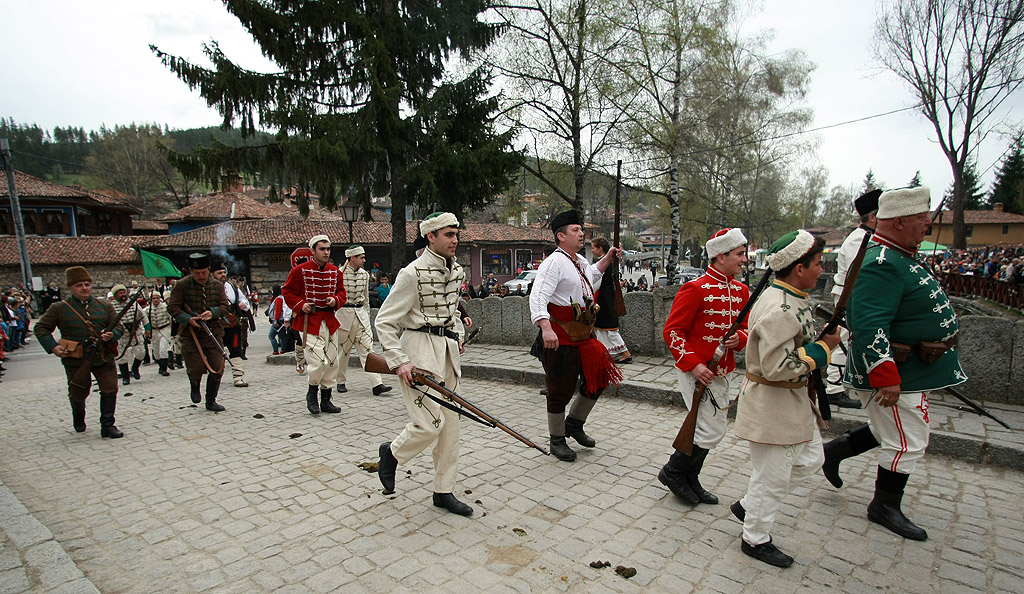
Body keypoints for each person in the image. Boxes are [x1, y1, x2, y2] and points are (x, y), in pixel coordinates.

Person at [822, 186, 964, 542]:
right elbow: (871, 325)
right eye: (921, 218)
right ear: (899, 222)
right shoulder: (882, 263)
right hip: (895, 368)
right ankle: (884, 505)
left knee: (896, 428)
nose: (927, 224)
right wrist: (886, 375)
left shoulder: (899, 254)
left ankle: (835, 451)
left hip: (913, 367)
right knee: (908, 440)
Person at [730, 230, 840, 567]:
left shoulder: (789, 296)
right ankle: (755, 538)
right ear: (798, 269)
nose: (822, 270)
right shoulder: (780, 306)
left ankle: (751, 503)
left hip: (789, 402)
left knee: (810, 460)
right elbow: (777, 366)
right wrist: (824, 349)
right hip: (772, 402)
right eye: (818, 264)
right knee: (773, 479)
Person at [375, 212, 471, 516]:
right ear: (430, 236)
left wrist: (458, 335)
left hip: (446, 354)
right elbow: (385, 321)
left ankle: (444, 491)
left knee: (450, 428)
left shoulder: (457, 272)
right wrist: (399, 361)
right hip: (418, 353)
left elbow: (452, 313)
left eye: (456, 234)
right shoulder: (411, 273)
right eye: (448, 234)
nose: (454, 240)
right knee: (430, 425)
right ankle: (391, 454)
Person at [658, 228, 750, 505]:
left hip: (722, 370)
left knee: (712, 427)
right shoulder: (694, 289)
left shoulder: (742, 291)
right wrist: (693, 364)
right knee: (706, 429)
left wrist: (740, 338)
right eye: (739, 254)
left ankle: (688, 477)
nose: (744, 259)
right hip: (696, 371)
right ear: (720, 257)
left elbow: (746, 327)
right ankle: (673, 473)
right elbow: (673, 331)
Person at [528, 210, 623, 462]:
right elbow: (538, 297)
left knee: (599, 376)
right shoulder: (553, 263)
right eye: (575, 230)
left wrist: (607, 259)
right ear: (561, 236)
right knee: (560, 389)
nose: (581, 233)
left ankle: (574, 423)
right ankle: (557, 439)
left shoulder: (579, 261)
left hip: (582, 335)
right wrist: (545, 328)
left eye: (581, 229)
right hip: (560, 336)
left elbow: (592, 276)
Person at [34, 266, 124, 438]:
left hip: (103, 355)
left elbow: (118, 326)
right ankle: (79, 416)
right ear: (71, 287)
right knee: (79, 391)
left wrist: (112, 335)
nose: (84, 288)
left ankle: (107, 425)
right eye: (79, 285)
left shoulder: (104, 306)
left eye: (87, 284)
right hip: (76, 358)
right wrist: (53, 347)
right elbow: (41, 328)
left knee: (110, 388)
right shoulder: (59, 308)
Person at [824, 189, 881, 410]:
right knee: (842, 340)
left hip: (856, 294)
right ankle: (834, 388)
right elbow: (862, 274)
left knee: (848, 341)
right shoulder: (860, 239)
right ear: (873, 216)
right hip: (851, 295)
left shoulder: (868, 238)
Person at [283, 235, 346, 415]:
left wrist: (335, 300)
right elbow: (287, 292)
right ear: (313, 251)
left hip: (330, 321)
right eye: (322, 249)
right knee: (318, 361)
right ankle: (312, 394)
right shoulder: (299, 270)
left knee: (333, 361)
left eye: (328, 249)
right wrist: (300, 304)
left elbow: (342, 293)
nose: (326, 252)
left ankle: (326, 399)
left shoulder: (335, 272)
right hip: (308, 322)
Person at [167, 253, 231, 412]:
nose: (201, 276)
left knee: (217, 367)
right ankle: (194, 385)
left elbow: (225, 306)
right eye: (197, 273)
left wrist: (212, 312)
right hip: (191, 333)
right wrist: (188, 319)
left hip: (213, 332)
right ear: (191, 271)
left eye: (203, 272)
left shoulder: (217, 285)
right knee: (195, 367)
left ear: (209, 269)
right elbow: (173, 307)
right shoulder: (181, 285)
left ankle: (211, 400)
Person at [336, 245, 393, 396]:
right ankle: (340, 381)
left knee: (368, 350)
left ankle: (377, 384)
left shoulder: (365, 275)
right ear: (352, 258)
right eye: (361, 257)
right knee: (343, 351)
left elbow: (366, 298)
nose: (364, 260)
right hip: (344, 315)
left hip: (360, 315)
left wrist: (366, 315)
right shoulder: (338, 274)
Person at [590, 237, 632, 364]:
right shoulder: (611, 260)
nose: (592, 251)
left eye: (593, 248)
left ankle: (625, 352)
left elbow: (596, 282)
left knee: (610, 328)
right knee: (601, 327)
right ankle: (604, 351)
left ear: (600, 248)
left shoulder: (604, 262)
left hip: (605, 297)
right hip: (606, 295)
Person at [212, 264, 250, 388]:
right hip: (216, 326)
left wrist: (243, 305)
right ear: (212, 274)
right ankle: (215, 377)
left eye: (223, 272)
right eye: (219, 273)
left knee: (235, 350)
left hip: (233, 325)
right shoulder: (209, 289)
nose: (223, 275)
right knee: (216, 352)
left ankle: (238, 377)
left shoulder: (232, 286)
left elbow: (243, 300)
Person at [111, 284, 146, 385]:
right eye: (120, 293)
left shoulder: (134, 304)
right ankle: (126, 377)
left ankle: (135, 369)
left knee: (141, 353)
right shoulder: (111, 306)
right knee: (122, 357)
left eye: (123, 292)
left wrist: (147, 328)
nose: (123, 294)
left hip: (135, 332)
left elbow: (143, 316)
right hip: (121, 334)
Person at [143, 290, 174, 377]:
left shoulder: (165, 307)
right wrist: (145, 332)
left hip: (164, 329)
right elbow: (144, 322)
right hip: (154, 331)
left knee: (163, 349)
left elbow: (170, 319)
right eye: (154, 298)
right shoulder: (147, 310)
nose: (156, 300)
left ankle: (164, 369)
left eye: (157, 298)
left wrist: (171, 330)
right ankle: (161, 366)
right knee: (156, 352)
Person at [267, 285, 292, 354]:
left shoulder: (278, 299)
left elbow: (278, 310)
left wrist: (275, 320)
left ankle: (275, 350)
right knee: (282, 336)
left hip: (278, 320)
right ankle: (283, 350)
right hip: (281, 319)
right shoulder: (280, 298)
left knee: (271, 336)